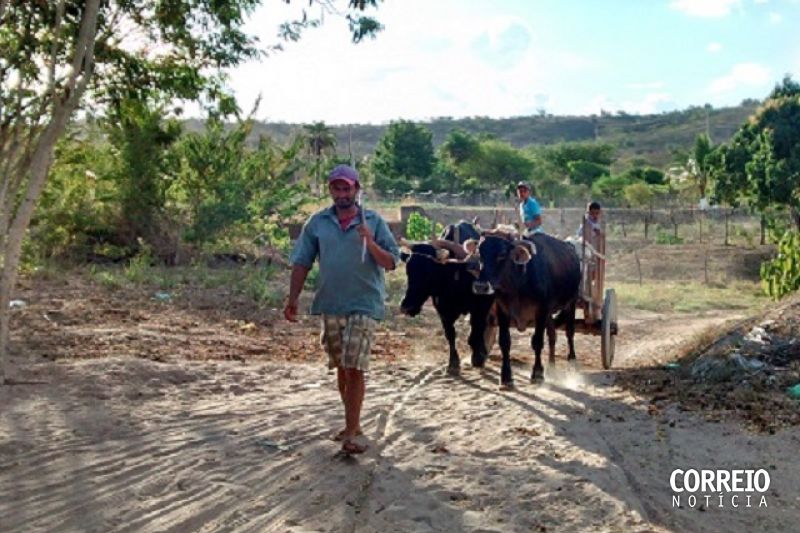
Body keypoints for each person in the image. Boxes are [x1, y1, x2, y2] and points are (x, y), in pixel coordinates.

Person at [284, 164, 399, 455]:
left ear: (356, 189)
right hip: (331, 303)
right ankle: (353, 424)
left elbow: (391, 262)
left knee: (354, 365)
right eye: (336, 188)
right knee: (342, 366)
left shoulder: (373, 221)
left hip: (365, 303)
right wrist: (293, 298)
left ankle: (350, 433)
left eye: (346, 188)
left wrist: (369, 241)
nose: (342, 193)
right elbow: (302, 261)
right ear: (330, 190)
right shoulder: (317, 222)